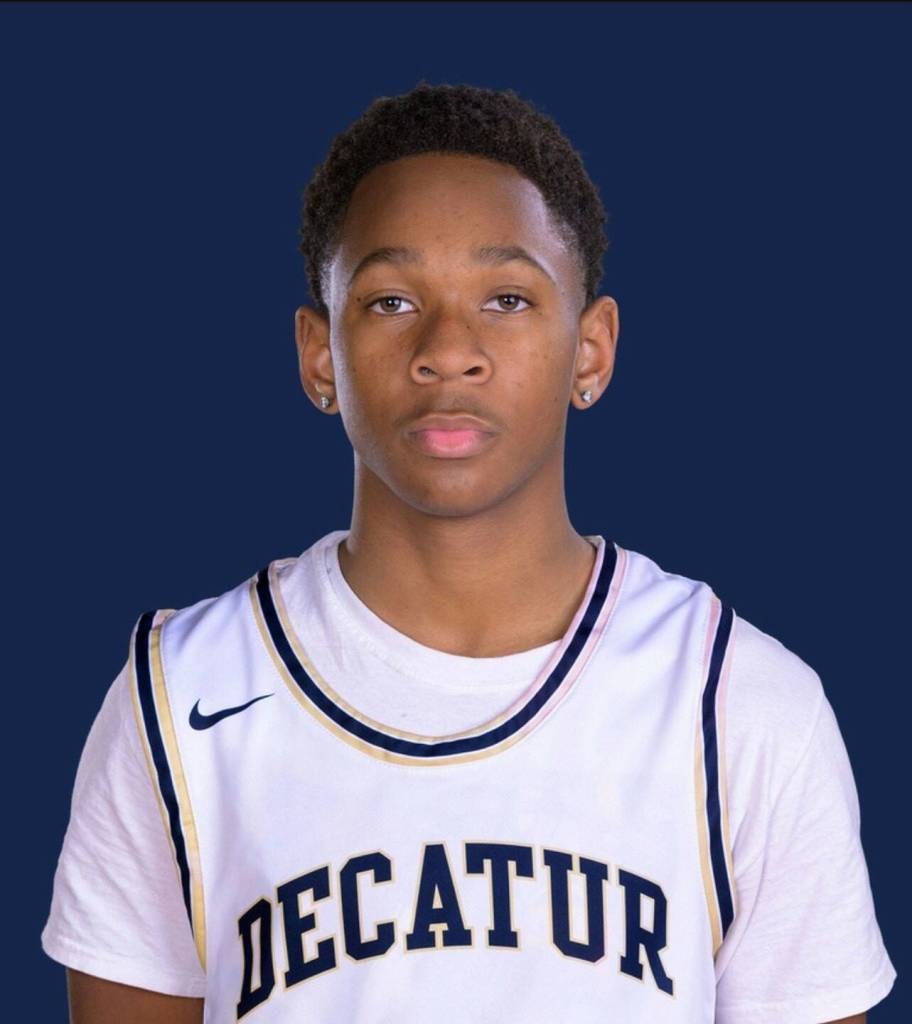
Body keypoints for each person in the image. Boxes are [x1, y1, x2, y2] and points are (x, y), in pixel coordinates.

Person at [41, 81, 896, 1024]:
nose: (449, 351)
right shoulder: (179, 697)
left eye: (506, 299)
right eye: (391, 300)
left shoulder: (740, 703)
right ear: (320, 356)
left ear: (591, 350)